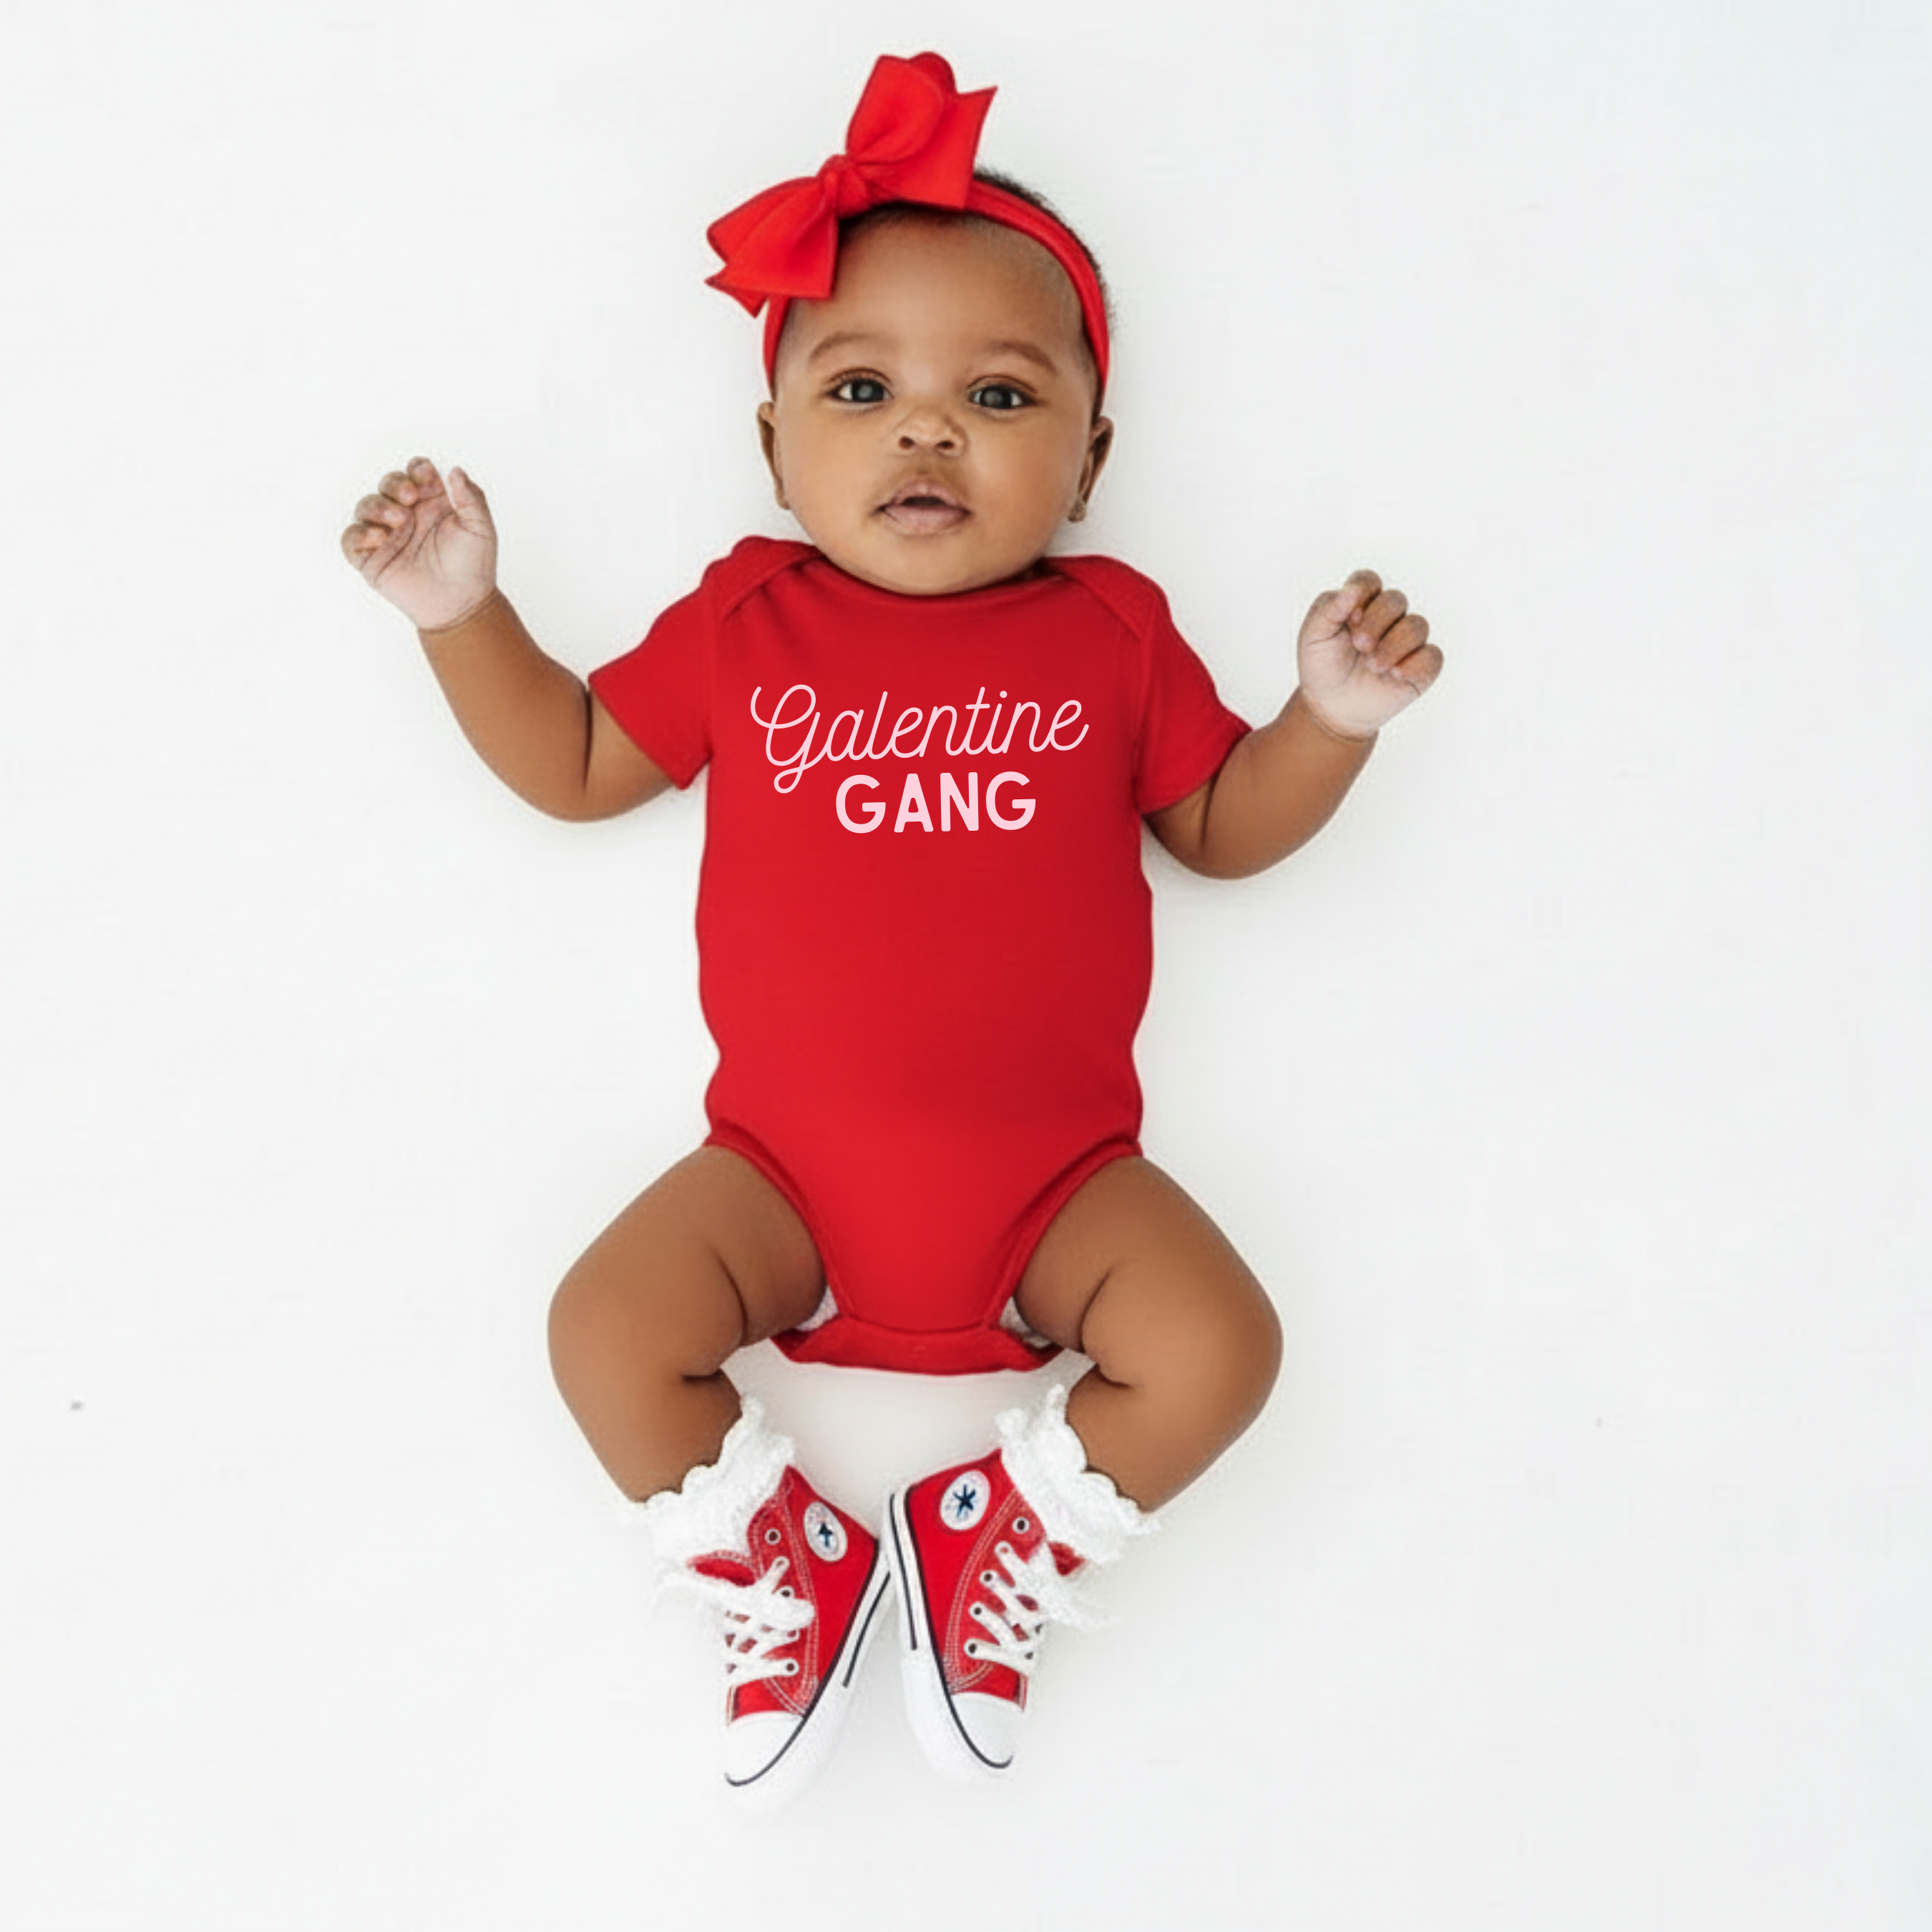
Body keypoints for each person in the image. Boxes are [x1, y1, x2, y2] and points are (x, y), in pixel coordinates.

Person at [341, 52, 1442, 1809]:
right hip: (781, 1179)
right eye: (862, 386)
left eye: (1000, 398)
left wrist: (1327, 721)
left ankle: (989, 1537)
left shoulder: (1111, 633)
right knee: (600, 1331)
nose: (928, 429)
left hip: (1059, 1187)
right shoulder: (743, 621)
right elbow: (569, 763)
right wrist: (465, 617)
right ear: (773, 443)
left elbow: (1223, 834)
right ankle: (791, 1570)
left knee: (1224, 1349)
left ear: (1092, 455)